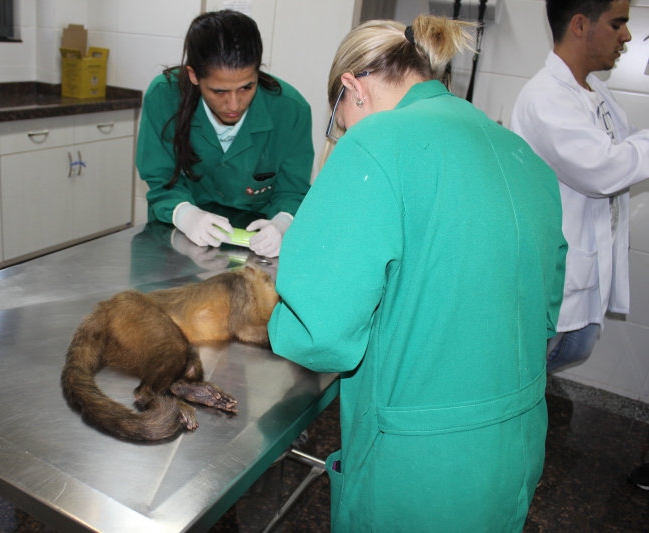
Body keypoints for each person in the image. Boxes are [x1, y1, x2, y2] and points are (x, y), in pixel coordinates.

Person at [268, 16, 568, 532]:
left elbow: (319, 334)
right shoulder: (521, 155)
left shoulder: (376, 144)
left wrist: (272, 316)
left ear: (352, 88)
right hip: (513, 450)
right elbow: (543, 311)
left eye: (339, 123)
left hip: (419, 470)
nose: (343, 135)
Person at [511, 0, 649, 373]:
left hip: (583, 273)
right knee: (525, 372)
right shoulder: (546, 98)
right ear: (579, 25)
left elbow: (628, 146)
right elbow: (606, 168)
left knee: (568, 354)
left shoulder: (593, 92)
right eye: (617, 24)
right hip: (557, 279)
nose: (627, 36)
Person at [135, 10, 313, 258]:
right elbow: (159, 176)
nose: (234, 104)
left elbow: (293, 190)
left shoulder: (291, 110)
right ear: (194, 76)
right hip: (177, 239)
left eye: (247, 87)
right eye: (219, 91)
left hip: (256, 245)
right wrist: (185, 214)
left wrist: (283, 222)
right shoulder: (163, 97)